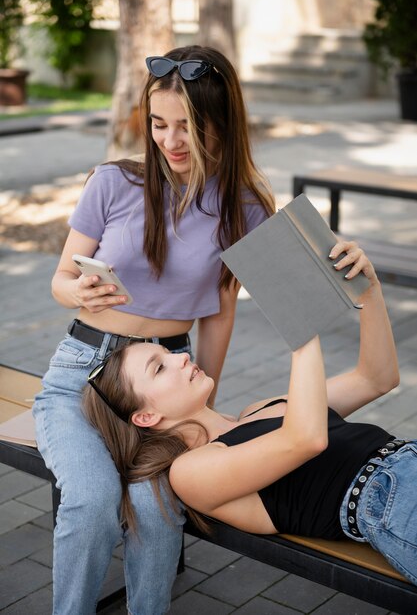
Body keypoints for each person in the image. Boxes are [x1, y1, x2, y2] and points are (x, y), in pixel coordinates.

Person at [33, 45, 275, 615]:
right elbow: (61, 279)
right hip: (84, 376)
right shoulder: (113, 182)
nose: (170, 141)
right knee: (91, 501)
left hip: (168, 386)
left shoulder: (244, 208)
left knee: (156, 507)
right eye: (159, 124)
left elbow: (219, 314)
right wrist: (77, 290)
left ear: (223, 124)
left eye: (188, 126)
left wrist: (203, 407)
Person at [84, 240, 417, 587]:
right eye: (159, 369)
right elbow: (307, 440)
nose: (181, 357)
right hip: (391, 496)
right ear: (145, 417)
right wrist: (299, 329)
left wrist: (369, 290)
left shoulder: (259, 409)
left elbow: (376, 379)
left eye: (168, 355)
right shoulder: (189, 472)